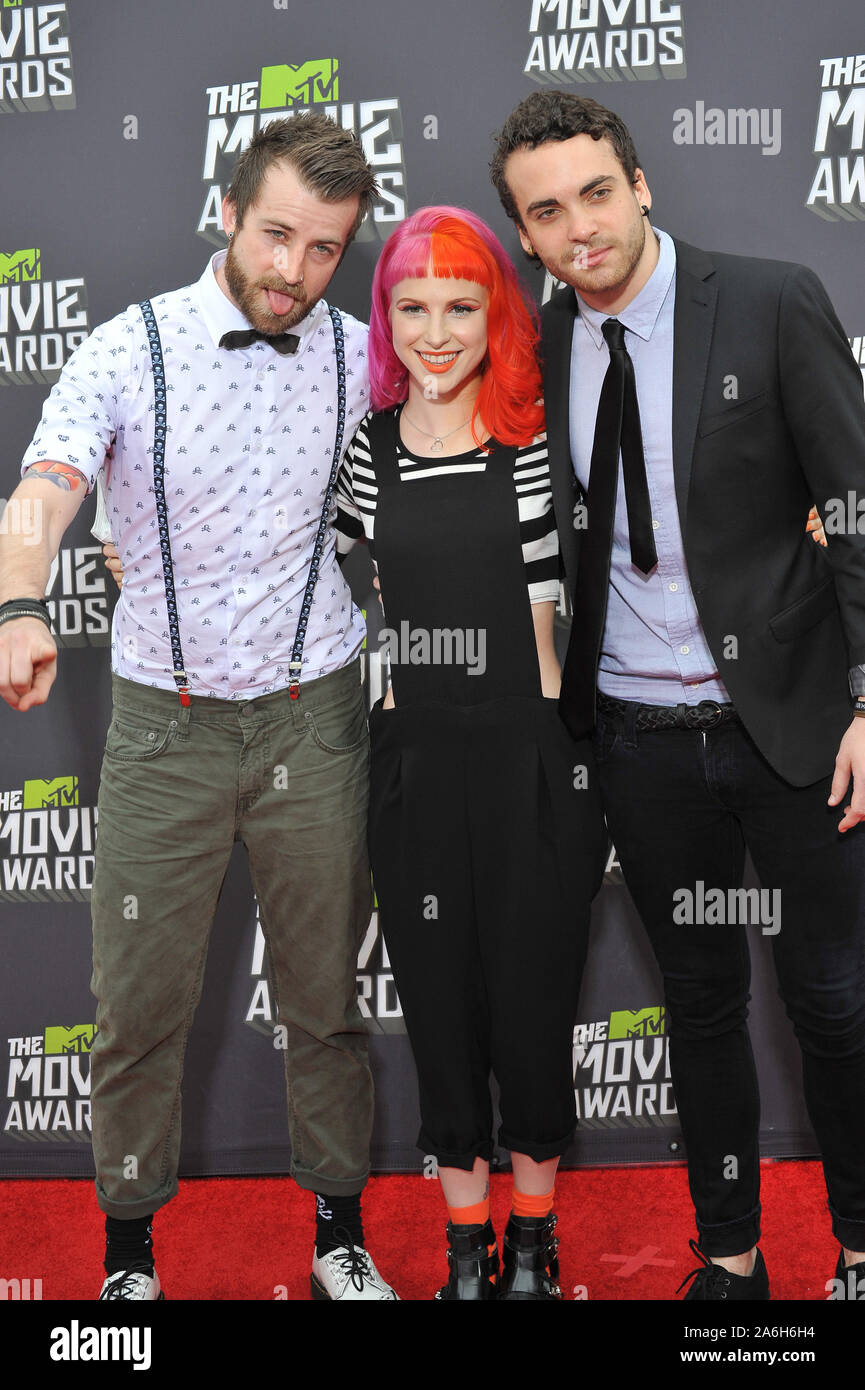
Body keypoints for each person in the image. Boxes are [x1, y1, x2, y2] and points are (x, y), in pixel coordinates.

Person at [0, 113, 398, 1302]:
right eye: (277, 234)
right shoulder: (131, 349)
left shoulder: (363, 353)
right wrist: (20, 606)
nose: (294, 270)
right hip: (164, 725)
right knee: (135, 1006)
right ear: (228, 214)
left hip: (313, 711)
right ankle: (130, 1257)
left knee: (326, 997)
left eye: (324, 249)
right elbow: (46, 484)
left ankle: (337, 1234)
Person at [490, 89, 865, 1300]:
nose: (578, 228)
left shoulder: (765, 299)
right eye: (545, 213)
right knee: (699, 1011)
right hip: (640, 744)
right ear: (528, 236)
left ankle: (860, 1248)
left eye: (595, 193)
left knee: (838, 1004)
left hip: (799, 729)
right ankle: (731, 1259)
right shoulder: (535, 348)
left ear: (641, 184)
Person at [333, 207, 608, 1299]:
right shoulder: (366, 451)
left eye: (461, 305)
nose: (436, 331)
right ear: (385, 317)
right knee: (440, 1009)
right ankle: (462, 1254)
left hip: (534, 759)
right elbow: (279, 559)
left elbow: (672, 518)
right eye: (412, 307)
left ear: (498, 312)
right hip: (414, 763)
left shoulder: (543, 435)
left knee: (536, 1006)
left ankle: (531, 1249)